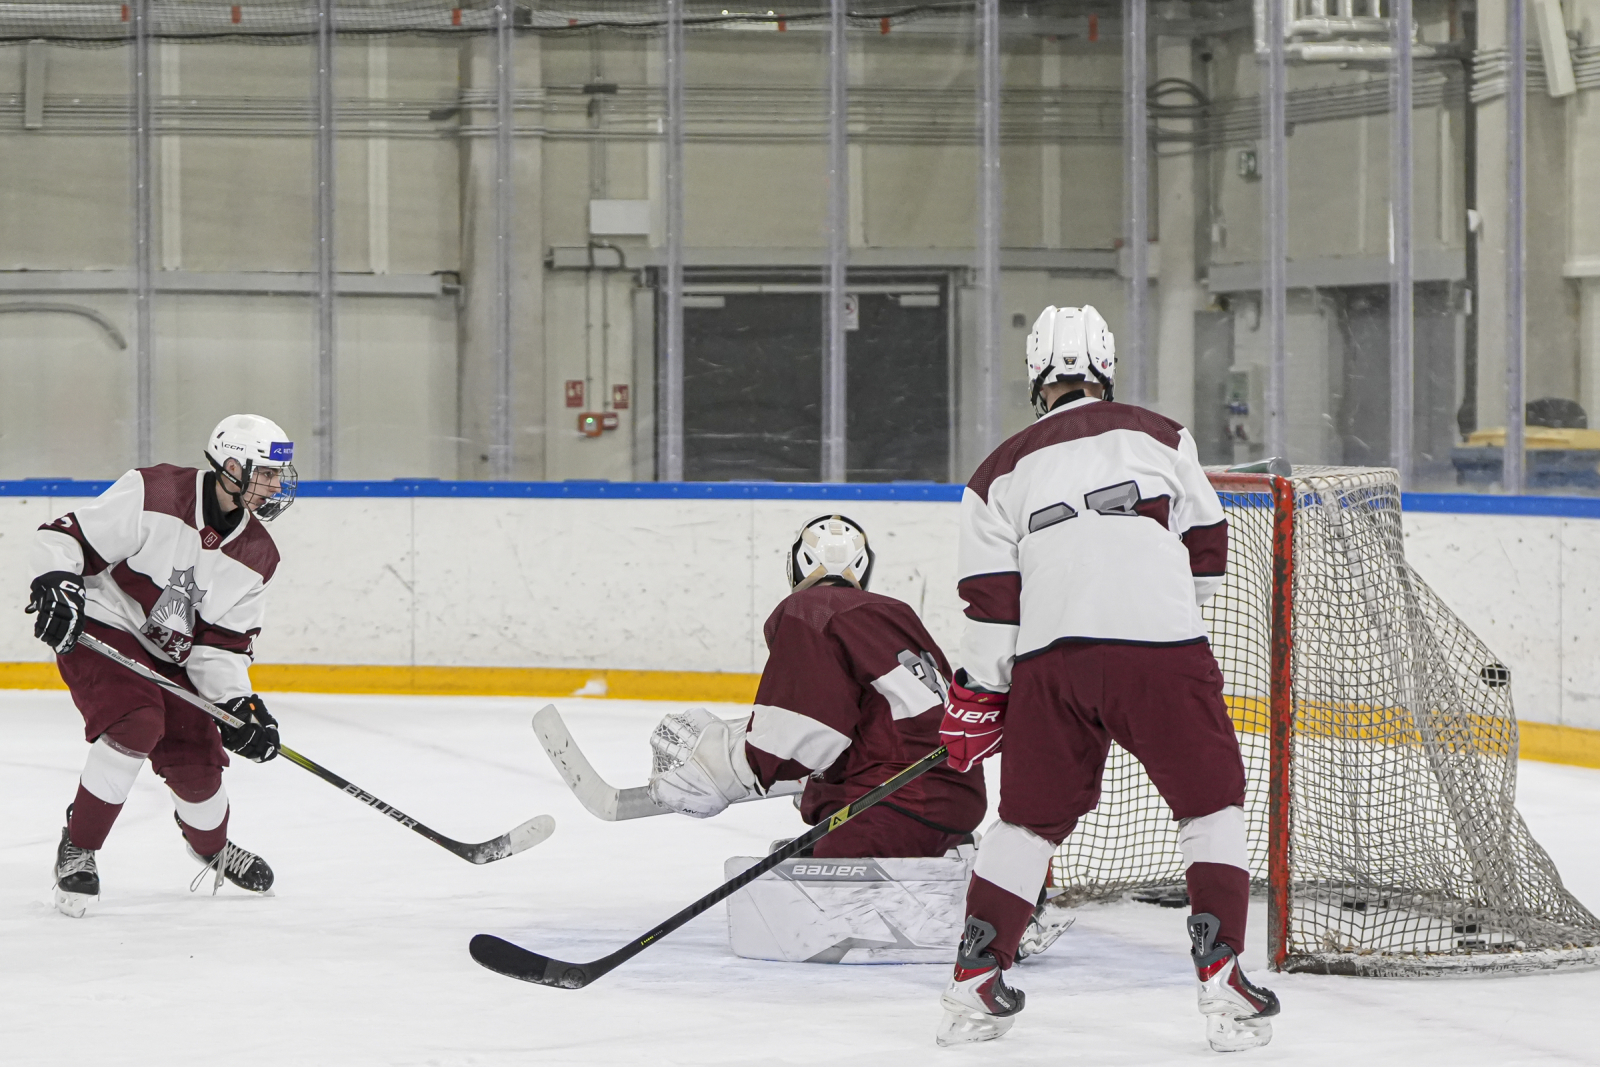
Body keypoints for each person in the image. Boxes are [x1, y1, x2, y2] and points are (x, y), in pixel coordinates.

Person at [933, 306, 1280, 1052]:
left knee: (1027, 823)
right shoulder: (1162, 434)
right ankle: (1223, 974)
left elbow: (991, 604)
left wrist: (982, 693)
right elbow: (1209, 548)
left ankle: (975, 980)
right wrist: (1155, 605)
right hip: (1161, 650)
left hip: (1050, 662)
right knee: (1211, 803)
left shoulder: (995, 471)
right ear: (1106, 367)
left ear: (1036, 373)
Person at [29, 414, 297, 917]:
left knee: (199, 766)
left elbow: (221, 647)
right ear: (231, 467)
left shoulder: (259, 555)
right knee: (137, 721)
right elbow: (65, 537)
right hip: (103, 628)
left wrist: (238, 705)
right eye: (265, 473)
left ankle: (212, 848)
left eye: (278, 475)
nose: (275, 485)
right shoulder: (156, 492)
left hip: (171, 657)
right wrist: (56, 581)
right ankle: (79, 846)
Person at [647, 515, 985, 860]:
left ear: (795, 565)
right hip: (956, 798)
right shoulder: (895, 612)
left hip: (892, 803)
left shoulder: (810, 610)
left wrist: (732, 770)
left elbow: (806, 720)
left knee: (805, 887)